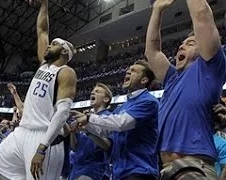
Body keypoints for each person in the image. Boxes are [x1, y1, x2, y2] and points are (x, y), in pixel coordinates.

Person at [0, 0, 77, 179]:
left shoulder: (66, 72)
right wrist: (44, 5)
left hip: (43, 137)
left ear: (64, 52)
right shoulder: (44, 66)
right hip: (22, 132)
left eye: (54, 44)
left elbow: (62, 113)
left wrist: (42, 147)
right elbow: (42, 31)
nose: (48, 45)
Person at [145, 0, 226, 179]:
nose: (181, 46)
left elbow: (202, 16)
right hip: (166, 167)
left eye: (190, 43)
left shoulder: (209, 68)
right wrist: (157, 9)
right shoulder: (172, 78)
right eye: (181, 44)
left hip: (195, 164)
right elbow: (152, 52)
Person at [72, 60, 159, 179]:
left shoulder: (148, 101)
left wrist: (88, 118)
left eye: (133, 71)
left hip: (140, 170)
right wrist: (87, 128)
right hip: (120, 172)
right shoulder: (121, 107)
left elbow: (121, 123)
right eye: (128, 70)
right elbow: (106, 133)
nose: (128, 72)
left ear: (144, 80)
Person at [69, 83, 113, 180]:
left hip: (94, 167)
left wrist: (88, 130)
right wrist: (72, 132)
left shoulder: (108, 118)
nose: (92, 92)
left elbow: (107, 145)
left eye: (97, 91)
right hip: (76, 167)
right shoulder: (84, 119)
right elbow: (74, 147)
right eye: (92, 91)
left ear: (106, 99)